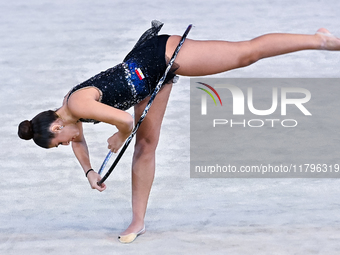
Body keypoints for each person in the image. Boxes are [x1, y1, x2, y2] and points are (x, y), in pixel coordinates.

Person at [18, 20, 340, 243]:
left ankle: (318, 39)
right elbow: (80, 142)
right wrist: (89, 170)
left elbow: (127, 123)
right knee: (146, 146)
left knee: (245, 54)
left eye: (57, 143)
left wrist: (118, 135)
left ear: (57, 127)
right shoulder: (68, 110)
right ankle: (138, 220)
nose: (66, 144)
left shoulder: (77, 104)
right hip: (144, 81)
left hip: (161, 56)